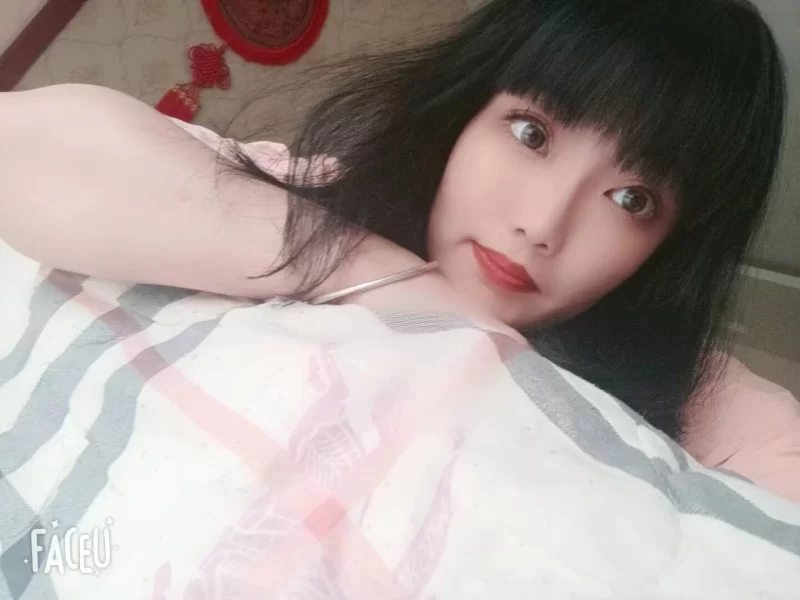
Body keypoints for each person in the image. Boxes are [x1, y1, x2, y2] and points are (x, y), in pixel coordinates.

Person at [1, 0, 797, 499]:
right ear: (465, 111)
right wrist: (380, 275)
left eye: (632, 200)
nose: (542, 224)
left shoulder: (699, 393)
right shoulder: (313, 192)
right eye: (530, 133)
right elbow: (23, 151)